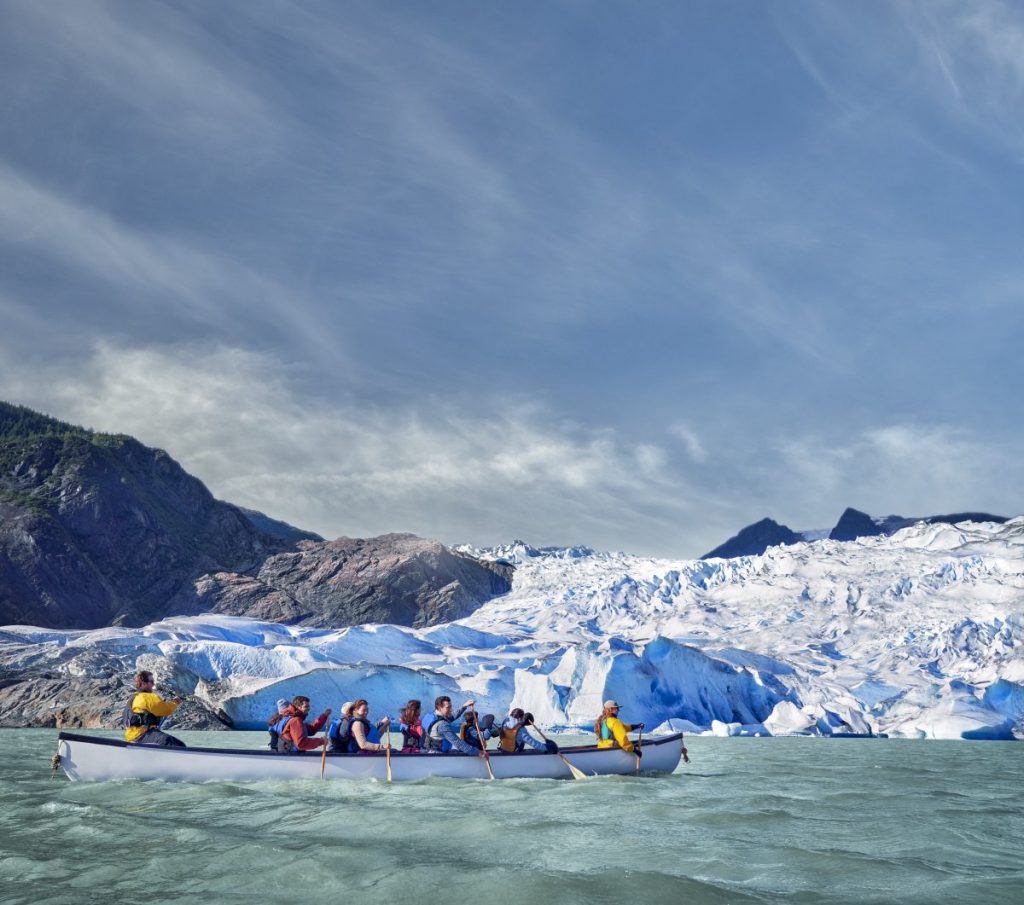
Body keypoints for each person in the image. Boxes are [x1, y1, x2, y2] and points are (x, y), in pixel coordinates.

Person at [122, 670, 186, 748]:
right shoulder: (147, 697)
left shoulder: (134, 698)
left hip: (132, 737)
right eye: (151, 682)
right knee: (173, 742)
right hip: (142, 736)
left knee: (174, 742)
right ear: (143, 683)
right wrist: (175, 702)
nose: (153, 684)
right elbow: (166, 710)